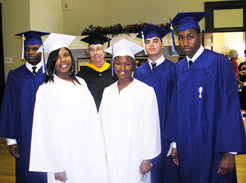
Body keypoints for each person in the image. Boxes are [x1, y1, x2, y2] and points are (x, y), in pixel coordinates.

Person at [167, 12, 246, 183]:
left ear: (200, 36)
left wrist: (230, 152)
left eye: (190, 37)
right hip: (187, 147)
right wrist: (175, 144)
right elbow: (175, 109)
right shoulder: (179, 68)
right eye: (180, 38)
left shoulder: (218, 62)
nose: (185, 43)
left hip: (214, 146)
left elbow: (230, 106)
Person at [29, 33, 109, 183]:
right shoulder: (46, 90)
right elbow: (44, 131)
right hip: (65, 156)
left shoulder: (81, 82)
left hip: (88, 150)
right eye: (57, 57)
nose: (63, 60)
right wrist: (56, 166)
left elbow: (91, 118)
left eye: (66, 55)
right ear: (51, 62)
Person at [100, 39, 161, 183]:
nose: (123, 68)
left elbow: (152, 128)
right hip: (112, 152)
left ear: (134, 65)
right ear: (112, 65)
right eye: (118, 63)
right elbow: (101, 124)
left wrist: (147, 158)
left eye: (127, 64)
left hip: (135, 154)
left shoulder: (145, 91)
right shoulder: (108, 92)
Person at [0, 30, 49, 183]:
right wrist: (11, 141)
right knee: (26, 172)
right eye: (28, 49)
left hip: (47, 134)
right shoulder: (15, 75)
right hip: (24, 135)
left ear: (42, 50)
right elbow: (9, 108)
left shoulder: (51, 74)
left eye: (35, 48)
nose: (31, 52)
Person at [134, 24, 180, 183]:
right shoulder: (139, 72)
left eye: (155, 41)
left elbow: (177, 107)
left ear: (162, 44)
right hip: (144, 134)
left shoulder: (174, 70)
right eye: (147, 42)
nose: (151, 44)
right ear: (144, 46)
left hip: (166, 133)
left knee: (167, 176)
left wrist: (175, 142)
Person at [76, 32, 117, 110]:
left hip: (111, 113)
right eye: (92, 50)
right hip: (91, 115)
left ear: (104, 52)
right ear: (89, 53)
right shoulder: (82, 75)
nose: (95, 53)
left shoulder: (114, 72)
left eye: (98, 49)